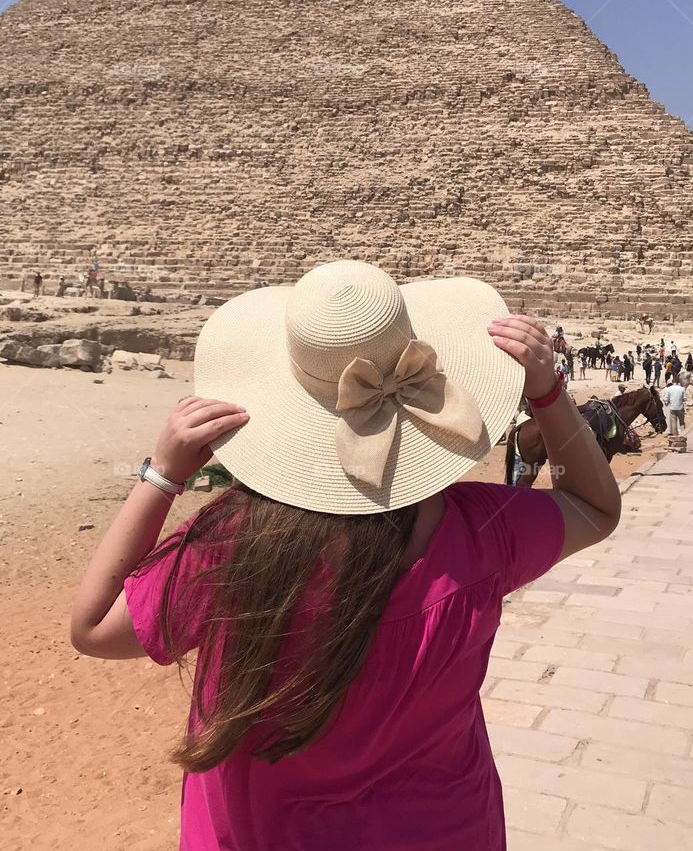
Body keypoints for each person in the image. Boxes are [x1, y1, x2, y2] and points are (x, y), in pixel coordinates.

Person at [70, 261, 622, 851]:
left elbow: (93, 629)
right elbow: (594, 506)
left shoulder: (231, 545)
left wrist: (162, 474)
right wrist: (549, 392)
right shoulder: (482, 532)